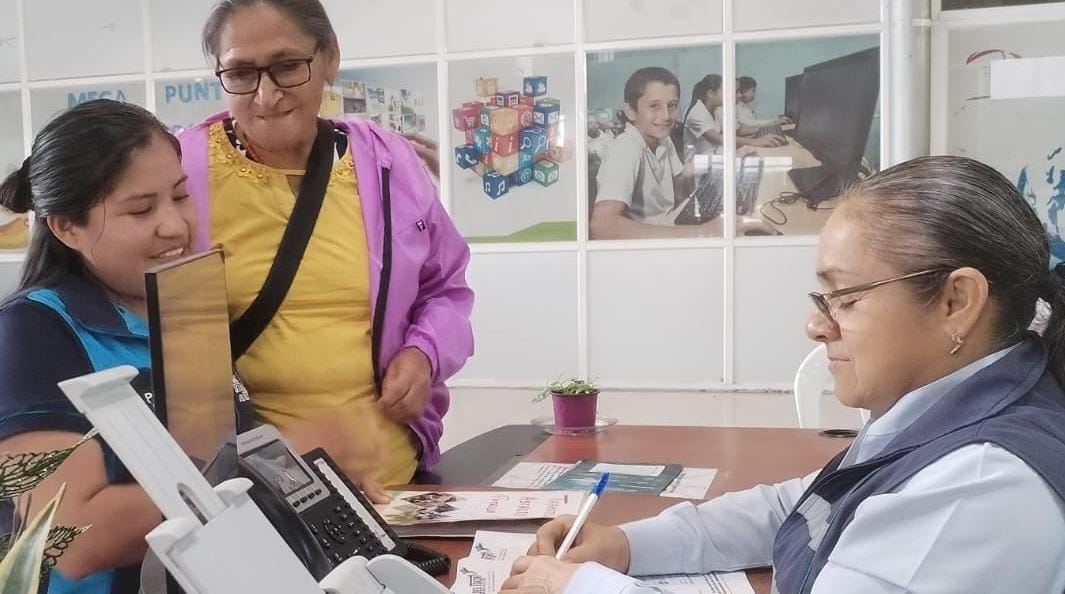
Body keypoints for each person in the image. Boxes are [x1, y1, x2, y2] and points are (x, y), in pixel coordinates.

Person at [503, 155, 1065, 594]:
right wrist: (626, 546)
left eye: (845, 298)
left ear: (956, 301)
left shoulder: (978, 486)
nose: (816, 327)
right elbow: (803, 506)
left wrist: (584, 587)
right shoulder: (947, 407)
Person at [178, 0, 473, 496]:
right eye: (241, 73)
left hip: (395, 483)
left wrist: (424, 353)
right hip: (258, 491)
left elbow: (446, 287)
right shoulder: (182, 173)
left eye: (288, 66)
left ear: (330, 57)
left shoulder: (389, 163)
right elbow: (141, 323)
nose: (266, 95)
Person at [0, 100, 195, 593]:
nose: (175, 225)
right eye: (141, 209)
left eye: (181, 196)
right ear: (67, 226)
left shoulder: (181, 309)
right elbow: (73, 538)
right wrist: (262, 480)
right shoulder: (31, 333)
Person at [590, 68, 771, 239]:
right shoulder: (625, 147)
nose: (666, 115)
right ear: (630, 112)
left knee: (744, 217)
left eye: (672, 105)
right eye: (654, 106)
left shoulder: (662, 139)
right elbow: (602, 225)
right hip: (653, 240)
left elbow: (680, 174)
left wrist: (726, 161)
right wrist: (704, 231)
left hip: (670, 222)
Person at [682, 74, 785, 160]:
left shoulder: (717, 109)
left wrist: (760, 133)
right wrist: (756, 142)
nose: (738, 95)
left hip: (716, 159)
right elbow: (718, 138)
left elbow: (737, 129)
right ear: (711, 94)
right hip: (700, 169)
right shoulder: (696, 112)